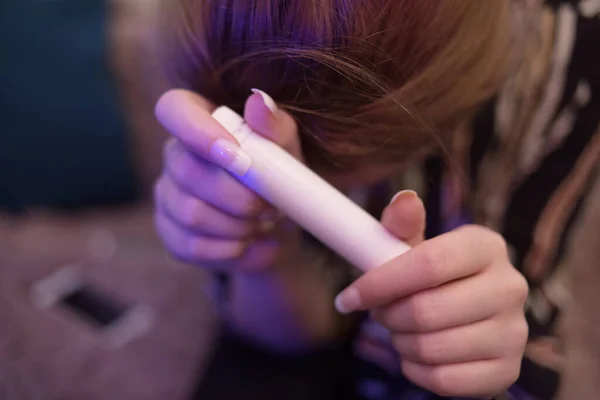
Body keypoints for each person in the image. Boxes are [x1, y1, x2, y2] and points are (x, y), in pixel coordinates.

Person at [152, 0, 600, 399]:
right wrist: (267, 258)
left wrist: (486, 344)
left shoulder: (573, 56)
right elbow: (280, 341)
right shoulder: (222, 41)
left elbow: (518, 314)